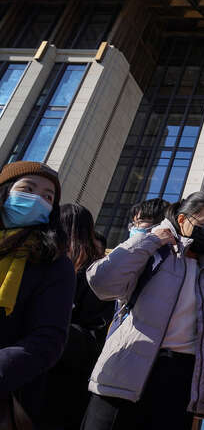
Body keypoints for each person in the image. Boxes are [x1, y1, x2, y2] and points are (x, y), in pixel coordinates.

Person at [82, 191, 204, 430]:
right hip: (127, 370)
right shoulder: (154, 252)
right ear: (182, 220)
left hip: (180, 379)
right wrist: (148, 240)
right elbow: (102, 282)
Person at [0, 161, 75, 427]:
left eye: (48, 196)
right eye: (27, 189)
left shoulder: (54, 263)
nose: (37, 200)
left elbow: (47, 340)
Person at [42, 204, 115, 430]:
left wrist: (46, 331)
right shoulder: (41, 264)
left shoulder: (93, 275)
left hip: (59, 381)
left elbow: (92, 336)